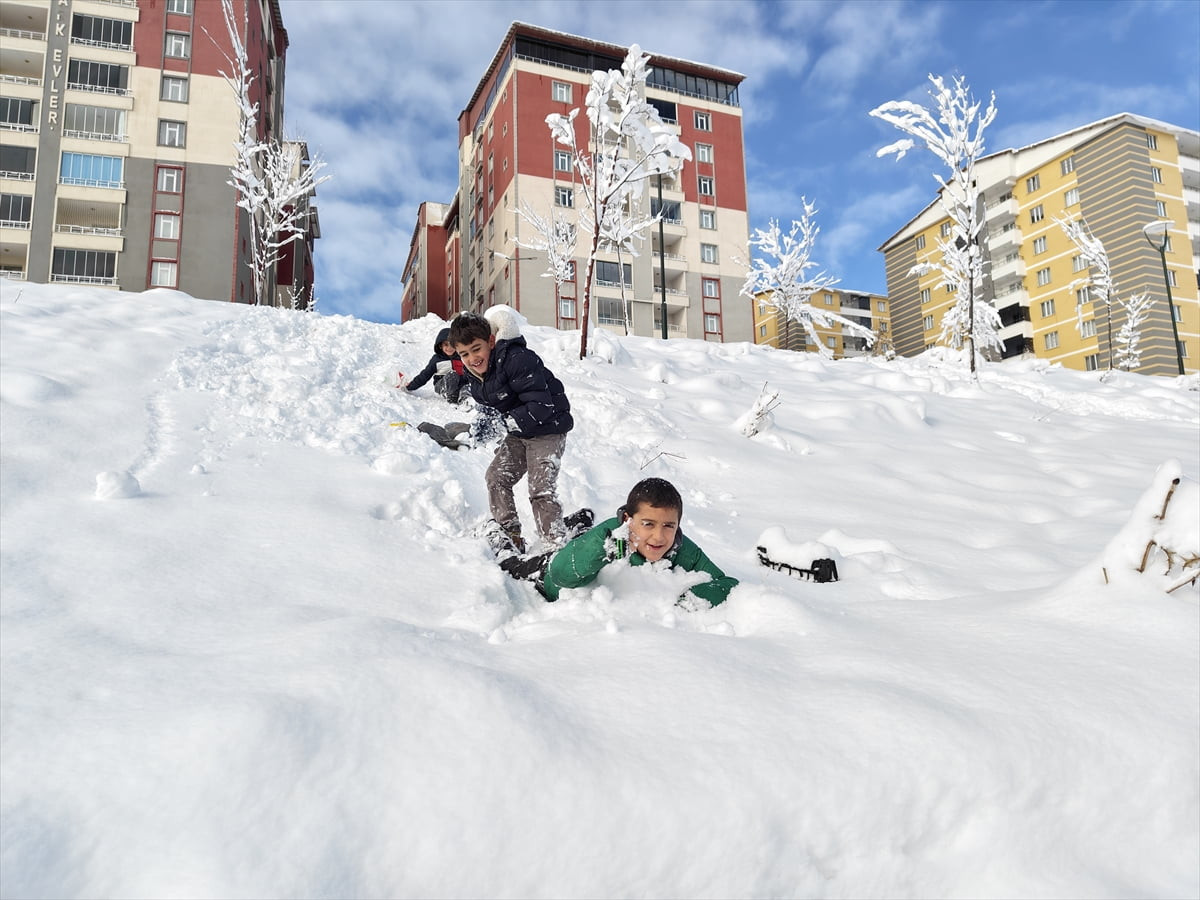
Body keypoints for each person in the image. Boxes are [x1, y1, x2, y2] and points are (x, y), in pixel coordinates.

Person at [447, 311, 573, 554]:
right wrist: (480, 429)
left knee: (540, 489)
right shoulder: (476, 376)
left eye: (477, 348)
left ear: (491, 342)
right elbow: (491, 406)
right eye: (464, 353)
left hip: (548, 429)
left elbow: (542, 406)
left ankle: (555, 545)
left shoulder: (517, 359)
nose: (472, 358)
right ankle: (510, 534)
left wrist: (503, 425)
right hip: (519, 431)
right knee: (496, 478)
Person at [523, 477, 739, 607]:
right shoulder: (609, 539)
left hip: (579, 547)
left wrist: (686, 604)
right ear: (628, 520)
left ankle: (581, 522)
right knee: (511, 564)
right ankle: (498, 537)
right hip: (547, 573)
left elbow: (728, 585)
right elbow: (561, 575)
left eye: (668, 526)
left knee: (581, 535)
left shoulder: (684, 550)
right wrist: (602, 549)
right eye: (648, 524)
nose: (659, 536)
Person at [401, 327, 466, 404]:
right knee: (452, 375)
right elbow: (425, 375)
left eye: (452, 345)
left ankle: (466, 399)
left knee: (467, 382)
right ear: (440, 346)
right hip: (442, 385)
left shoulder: (462, 358)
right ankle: (452, 399)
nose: (449, 348)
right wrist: (410, 386)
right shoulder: (437, 360)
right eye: (446, 345)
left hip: (459, 386)